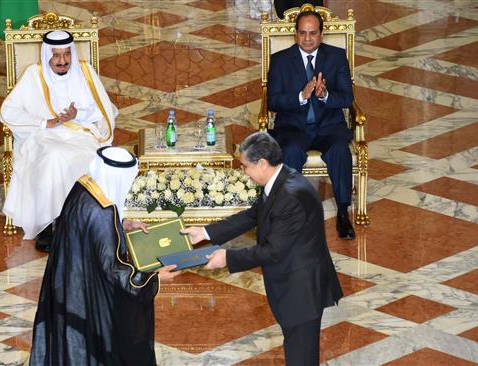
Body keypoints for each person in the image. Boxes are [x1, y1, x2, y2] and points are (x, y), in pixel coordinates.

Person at [181, 132, 343, 366]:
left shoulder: (290, 196)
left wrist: (227, 257)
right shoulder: (280, 181)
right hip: (292, 283)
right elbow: (252, 215)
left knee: (302, 357)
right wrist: (205, 233)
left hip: (302, 289)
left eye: (245, 166)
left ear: (262, 163)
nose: (243, 172)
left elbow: (272, 251)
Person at [30, 146, 180, 365]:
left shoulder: (83, 186)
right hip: (87, 295)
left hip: (70, 282)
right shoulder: (102, 214)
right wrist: (154, 278)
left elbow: (88, 232)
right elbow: (115, 272)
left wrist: (121, 224)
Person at [0, 30, 118, 252]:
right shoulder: (34, 76)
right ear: (47, 56)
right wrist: (46, 122)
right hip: (46, 135)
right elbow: (8, 111)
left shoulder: (85, 72)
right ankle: (47, 226)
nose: (62, 62)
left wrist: (77, 115)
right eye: (56, 56)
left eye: (66, 55)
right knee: (54, 157)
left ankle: (81, 224)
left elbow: (104, 109)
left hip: (81, 133)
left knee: (87, 158)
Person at [267, 10, 356, 239]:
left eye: (313, 33)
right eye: (303, 33)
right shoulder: (280, 60)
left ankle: (343, 213)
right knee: (292, 151)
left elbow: (347, 98)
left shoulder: (336, 57)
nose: (307, 39)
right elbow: (273, 102)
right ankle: (289, 213)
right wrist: (300, 97)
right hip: (293, 127)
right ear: (295, 34)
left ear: (322, 34)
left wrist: (325, 95)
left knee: (339, 151)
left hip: (328, 126)